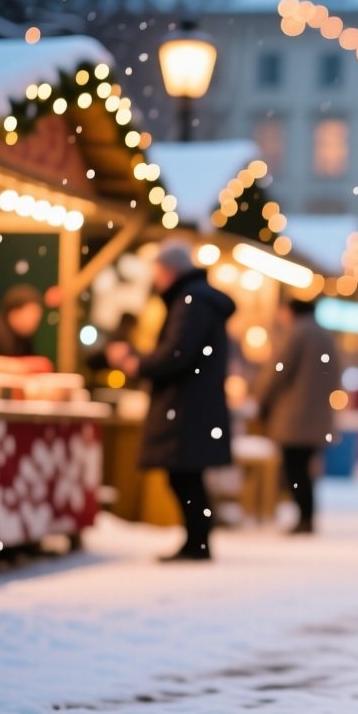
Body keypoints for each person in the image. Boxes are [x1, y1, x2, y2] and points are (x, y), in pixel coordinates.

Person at [108, 241, 236, 562]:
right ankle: (197, 540)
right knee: (187, 475)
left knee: (184, 474)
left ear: (169, 270)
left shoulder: (191, 301)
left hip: (186, 405)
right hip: (194, 403)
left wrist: (138, 364)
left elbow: (176, 353)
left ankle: (198, 542)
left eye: (158, 271)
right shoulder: (196, 299)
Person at [253, 298, 340, 535]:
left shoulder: (296, 334)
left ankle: (304, 517)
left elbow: (278, 371)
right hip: (316, 415)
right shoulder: (326, 337)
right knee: (303, 468)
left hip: (293, 415)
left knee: (294, 468)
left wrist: (260, 397)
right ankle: (306, 516)